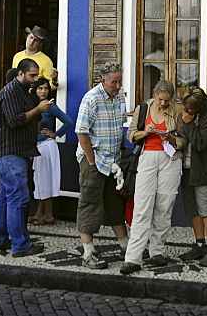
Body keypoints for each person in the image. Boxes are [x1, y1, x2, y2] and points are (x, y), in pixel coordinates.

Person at [119, 80, 186, 275]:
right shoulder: (143, 109)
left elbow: (183, 141)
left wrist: (170, 138)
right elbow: (130, 136)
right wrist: (144, 133)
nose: (163, 104)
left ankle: (157, 251)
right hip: (147, 157)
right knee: (142, 207)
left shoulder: (176, 112)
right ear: (154, 93)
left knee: (164, 207)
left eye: (167, 100)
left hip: (170, 159)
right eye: (160, 99)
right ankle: (133, 257)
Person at [0, 59, 52, 257]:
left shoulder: (22, 93)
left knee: (6, 197)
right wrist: (38, 110)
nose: (35, 79)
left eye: (36, 75)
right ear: (20, 74)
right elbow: (15, 120)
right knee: (18, 197)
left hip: (14, 152)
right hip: (10, 152)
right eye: (32, 75)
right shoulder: (10, 92)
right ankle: (20, 245)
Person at [75, 62, 129, 269]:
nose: (117, 85)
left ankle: (126, 246)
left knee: (115, 203)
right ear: (103, 81)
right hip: (94, 159)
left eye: (119, 81)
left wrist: (121, 155)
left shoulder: (120, 96)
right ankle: (88, 252)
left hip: (114, 160)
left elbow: (120, 127)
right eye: (114, 82)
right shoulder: (91, 98)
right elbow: (82, 132)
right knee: (90, 202)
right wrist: (90, 160)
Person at [177, 87, 207, 266]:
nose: (186, 111)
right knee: (192, 209)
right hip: (187, 167)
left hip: (204, 169)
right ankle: (199, 245)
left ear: (199, 106)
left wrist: (188, 123)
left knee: (206, 208)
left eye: (190, 109)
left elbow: (201, 143)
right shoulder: (191, 112)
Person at [31, 76, 73, 226]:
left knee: (46, 180)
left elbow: (68, 121)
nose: (43, 91)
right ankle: (39, 212)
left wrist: (55, 134)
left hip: (47, 146)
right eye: (40, 88)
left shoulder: (50, 106)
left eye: (46, 88)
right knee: (40, 180)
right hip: (37, 146)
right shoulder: (33, 105)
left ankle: (48, 214)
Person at [12, 26, 60, 90]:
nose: (32, 41)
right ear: (27, 37)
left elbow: (50, 86)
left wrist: (54, 80)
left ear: (40, 44)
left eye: (36, 40)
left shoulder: (46, 60)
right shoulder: (17, 56)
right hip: (17, 94)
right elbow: (13, 77)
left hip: (34, 97)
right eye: (31, 37)